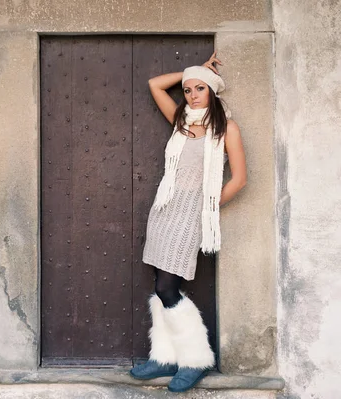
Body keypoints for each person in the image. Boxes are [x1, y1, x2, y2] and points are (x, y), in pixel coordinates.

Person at [129, 52, 247, 392]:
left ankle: (195, 360)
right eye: (188, 89)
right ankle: (164, 358)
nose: (192, 94)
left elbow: (239, 179)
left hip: (192, 216)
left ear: (212, 92)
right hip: (164, 211)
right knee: (162, 285)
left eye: (200, 88)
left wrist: (206, 208)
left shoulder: (227, 129)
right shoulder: (181, 121)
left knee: (166, 288)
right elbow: (155, 85)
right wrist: (193, 70)